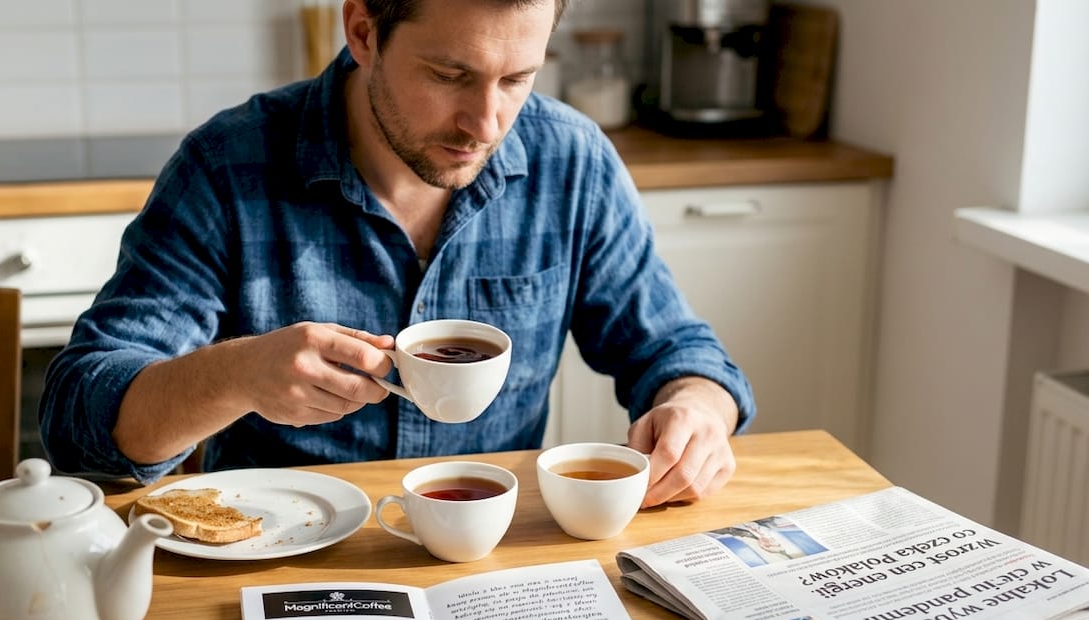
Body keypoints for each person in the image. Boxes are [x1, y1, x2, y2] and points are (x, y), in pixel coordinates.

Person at [40, 0, 755, 508]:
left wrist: (697, 409)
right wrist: (234, 375)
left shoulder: (573, 162)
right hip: (284, 565)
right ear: (362, 31)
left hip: (487, 564)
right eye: (450, 75)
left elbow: (675, 349)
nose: (485, 124)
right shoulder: (228, 167)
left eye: (516, 79)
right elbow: (80, 421)